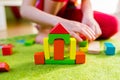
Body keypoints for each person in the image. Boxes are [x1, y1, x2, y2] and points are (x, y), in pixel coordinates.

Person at [20, 0, 119, 44]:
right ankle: (45, 29)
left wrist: (88, 17)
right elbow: (25, 9)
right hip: (46, 12)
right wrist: (61, 22)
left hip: (68, 9)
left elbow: (85, 1)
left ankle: (62, 29)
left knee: (112, 24)